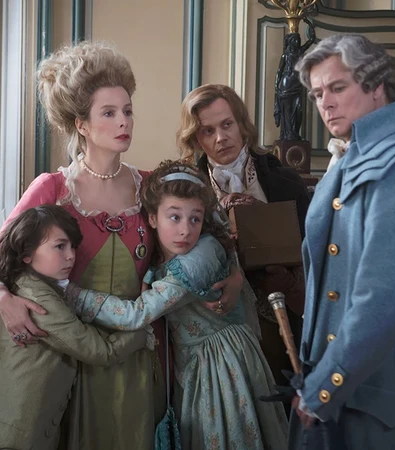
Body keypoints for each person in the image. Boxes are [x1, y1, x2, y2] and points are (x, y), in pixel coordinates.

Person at [0, 42, 241, 450]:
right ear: (81, 124)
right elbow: (3, 255)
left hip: (143, 352)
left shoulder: (151, 186)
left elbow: (215, 233)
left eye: (127, 111)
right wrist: (3, 298)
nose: (124, 121)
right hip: (77, 357)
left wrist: (233, 275)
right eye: (109, 113)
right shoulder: (53, 188)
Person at [288, 34, 395, 449]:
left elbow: (385, 298)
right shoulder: (352, 158)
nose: (325, 103)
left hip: (388, 402)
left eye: (337, 87)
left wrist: (324, 387)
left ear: (377, 86)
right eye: (318, 93)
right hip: (346, 396)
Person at [64, 160, 289, 449]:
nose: (185, 230)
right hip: (193, 362)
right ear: (153, 218)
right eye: (175, 217)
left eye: (195, 219)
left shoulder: (200, 258)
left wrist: (70, 293)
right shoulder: (165, 254)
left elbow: (137, 314)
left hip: (221, 360)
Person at [177, 83, 311, 388]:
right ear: (195, 138)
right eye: (208, 131)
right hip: (216, 324)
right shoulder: (187, 189)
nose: (220, 137)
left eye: (227, 125)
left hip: (282, 318)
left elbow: (314, 254)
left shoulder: (285, 181)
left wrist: (289, 282)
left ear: (241, 125)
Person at [0, 205, 150, 450]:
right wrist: (144, 332)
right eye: (60, 246)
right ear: (27, 253)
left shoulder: (32, 285)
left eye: (72, 247)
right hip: (18, 435)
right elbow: (99, 351)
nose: (71, 256)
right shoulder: (38, 298)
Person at [274, 20, 315, 141]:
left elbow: (312, 39)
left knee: (298, 110)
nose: (297, 41)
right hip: (286, 85)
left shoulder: (300, 51)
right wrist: (276, 87)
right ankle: (288, 135)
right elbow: (279, 71)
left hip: (297, 84)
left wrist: (308, 23)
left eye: (298, 39)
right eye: (295, 39)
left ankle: (294, 133)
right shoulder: (285, 55)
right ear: (291, 41)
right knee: (287, 112)